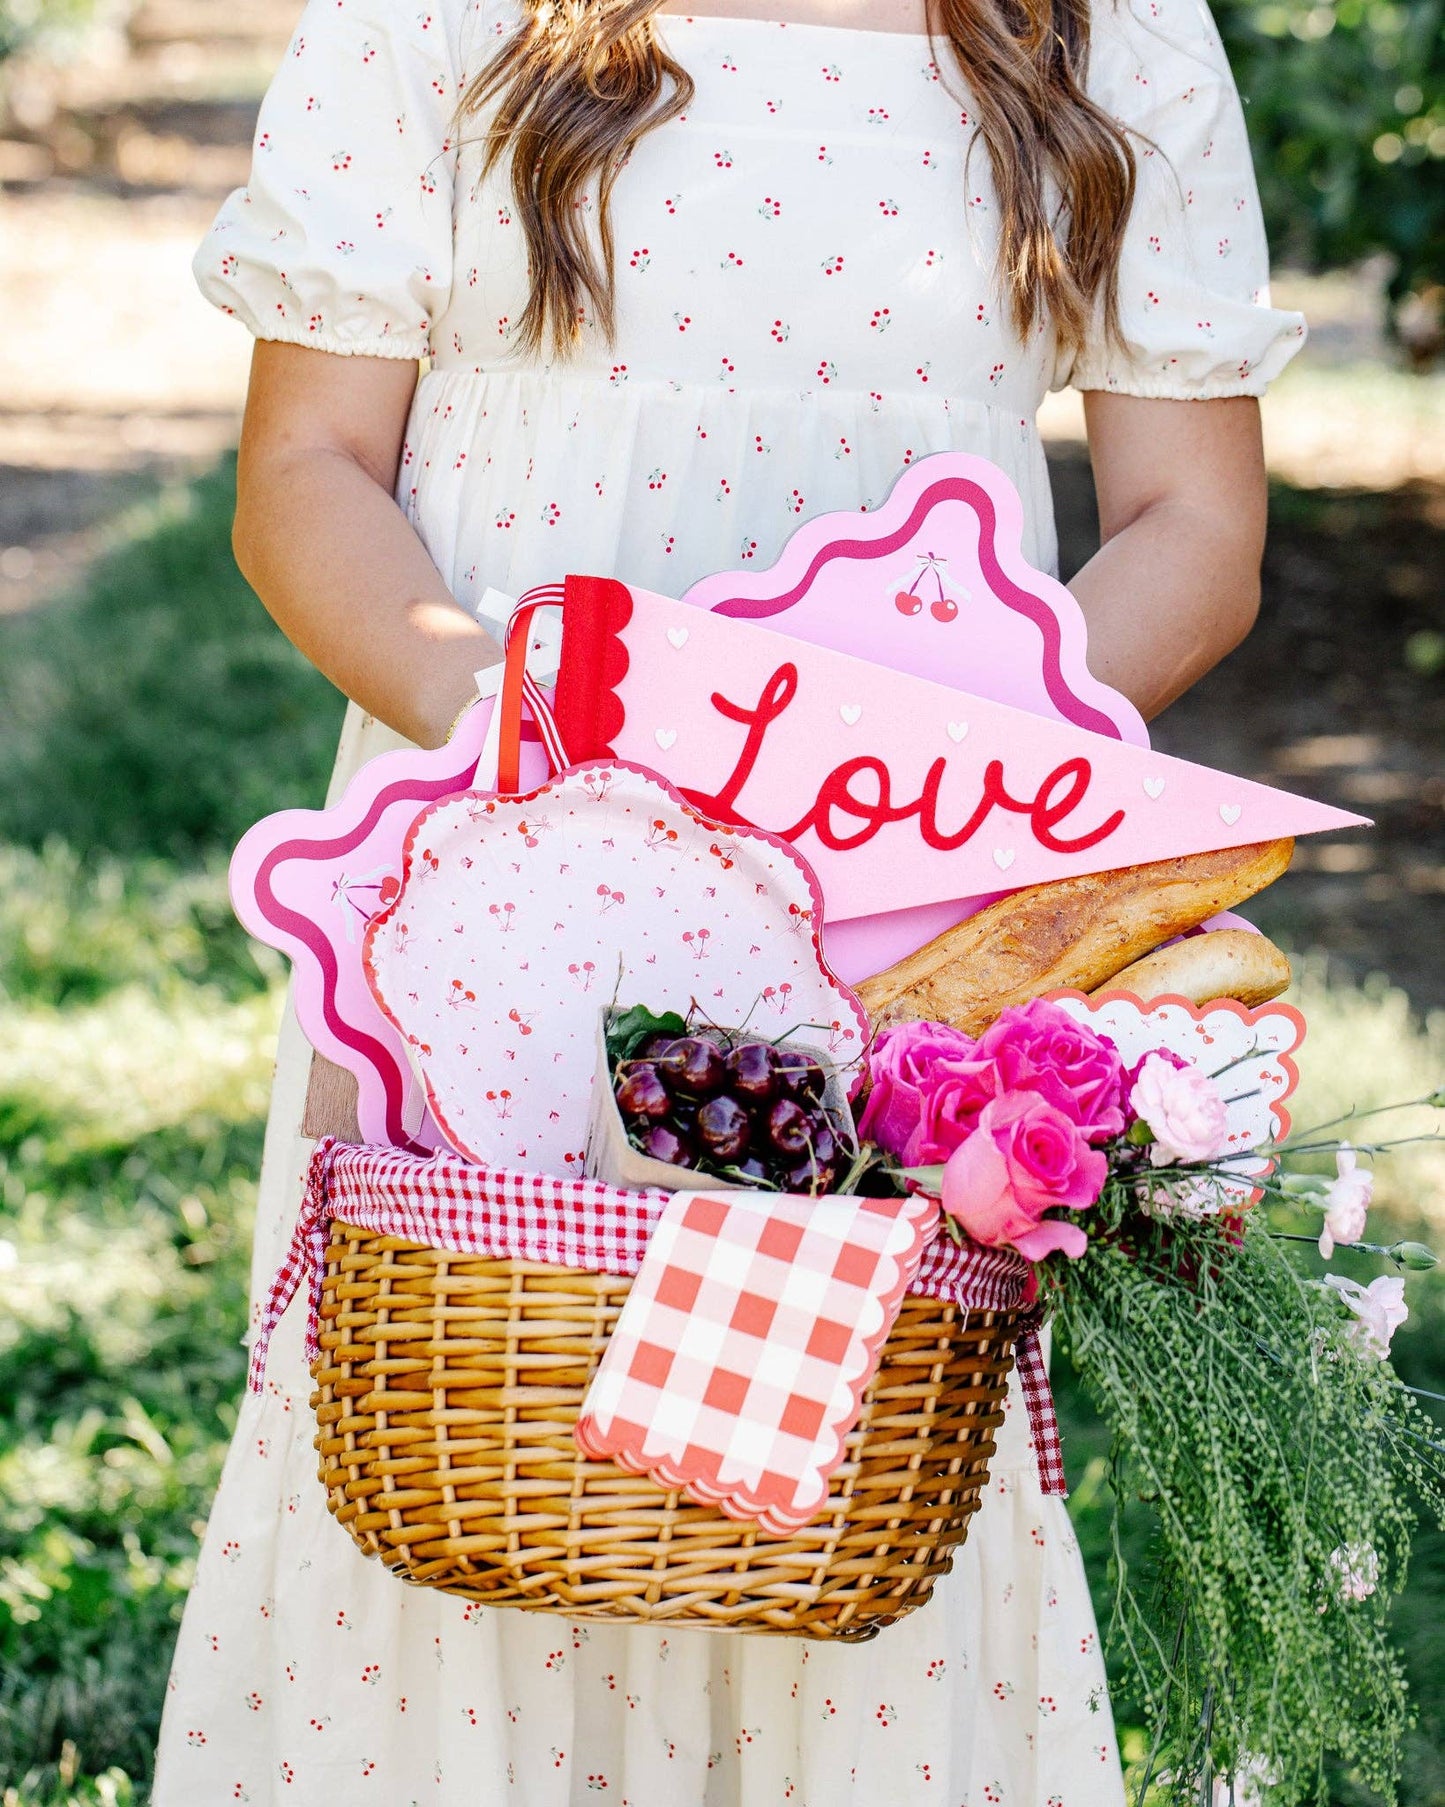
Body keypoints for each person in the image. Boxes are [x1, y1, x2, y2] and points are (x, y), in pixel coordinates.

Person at [153, 0, 1305, 1798]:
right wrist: (552, 773)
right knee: (486, 1424)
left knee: (825, 1472)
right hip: (500, 875)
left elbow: (1193, 524)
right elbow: (306, 475)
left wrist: (916, 808)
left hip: (885, 899)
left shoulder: (1105, 31)